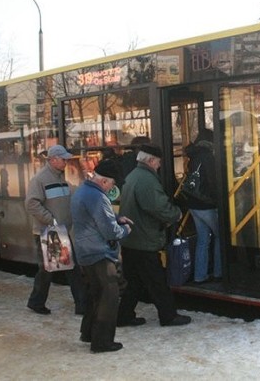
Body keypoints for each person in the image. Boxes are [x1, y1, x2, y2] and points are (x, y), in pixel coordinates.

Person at [117, 143, 192, 327]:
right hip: (144, 240)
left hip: (131, 240)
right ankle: (168, 316)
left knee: (134, 282)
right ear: (150, 160)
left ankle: (124, 315)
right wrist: (176, 213)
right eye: (158, 162)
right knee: (157, 282)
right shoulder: (146, 180)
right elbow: (158, 207)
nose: (159, 165)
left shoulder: (133, 176)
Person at [71, 159, 132, 353]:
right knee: (109, 297)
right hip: (99, 254)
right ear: (105, 181)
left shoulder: (82, 191)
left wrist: (116, 218)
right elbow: (109, 232)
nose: (113, 187)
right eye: (113, 183)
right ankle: (102, 342)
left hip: (85, 251)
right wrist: (125, 229)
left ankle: (88, 332)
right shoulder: (98, 197)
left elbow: (93, 218)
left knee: (96, 294)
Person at [25, 144, 86, 315]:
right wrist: (51, 220)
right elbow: (31, 204)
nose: (66, 162)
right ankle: (81, 304)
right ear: (52, 160)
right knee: (58, 269)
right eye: (63, 159)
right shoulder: (41, 179)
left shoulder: (59, 177)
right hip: (51, 231)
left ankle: (37, 301)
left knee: (59, 269)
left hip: (57, 230)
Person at [183, 129, 221, 283]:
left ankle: (200, 275)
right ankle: (219, 272)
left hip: (193, 204)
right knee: (221, 237)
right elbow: (213, 182)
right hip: (206, 205)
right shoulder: (208, 156)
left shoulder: (194, 155)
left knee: (203, 240)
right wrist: (218, 199)